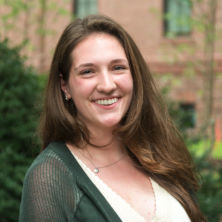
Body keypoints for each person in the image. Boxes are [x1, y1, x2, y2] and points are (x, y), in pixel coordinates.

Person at [19, 15, 205, 222]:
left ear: (134, 75)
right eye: (88, 72)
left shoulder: (159, 155)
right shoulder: (50, 177)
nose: (107, 85)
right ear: (65, 86)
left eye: (118, 68)